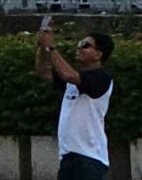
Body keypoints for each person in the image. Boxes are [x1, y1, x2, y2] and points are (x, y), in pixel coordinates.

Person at [34, 25, 114, 180]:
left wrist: (51, 47)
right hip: (68, 155)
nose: (79, 48)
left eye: (85, 45)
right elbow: (43, 70)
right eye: (79, 44)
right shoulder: (73, 81)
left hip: (89, 158)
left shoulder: (102, 78)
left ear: (98, 54)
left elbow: (68, 75)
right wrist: (42, 47)